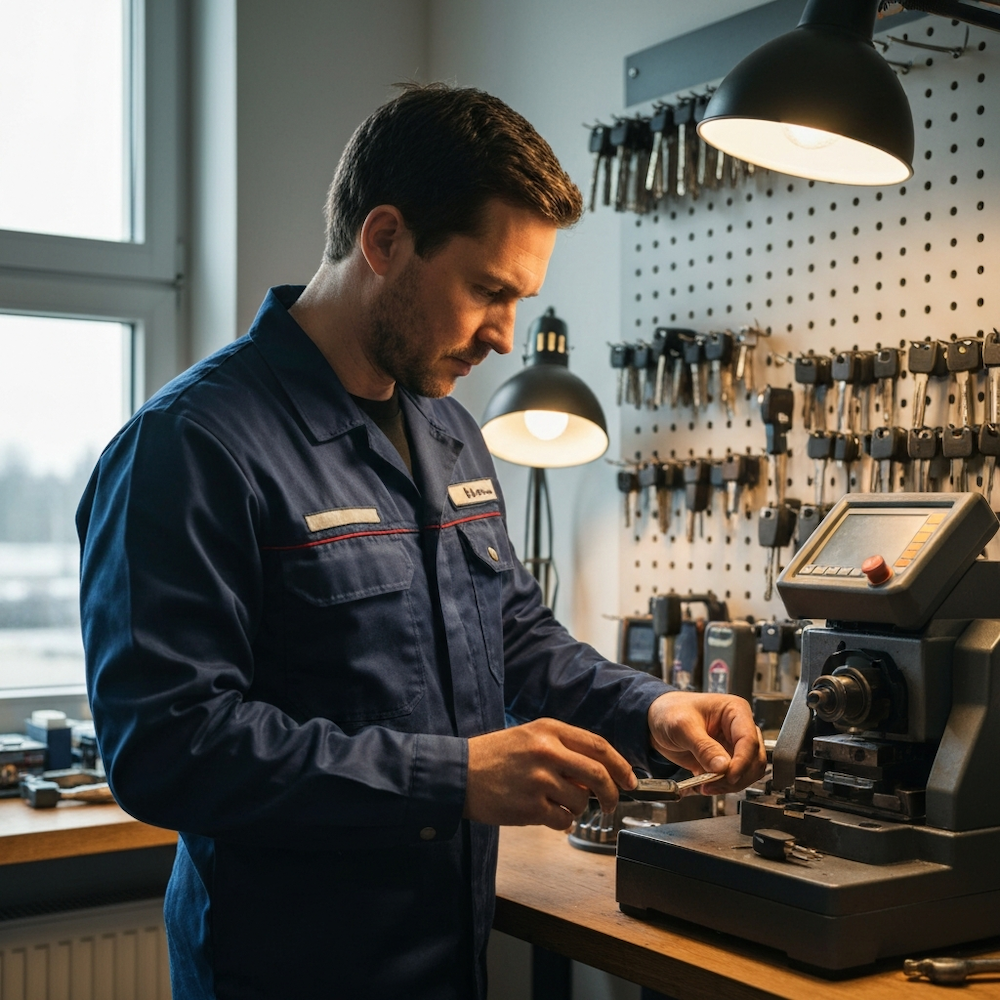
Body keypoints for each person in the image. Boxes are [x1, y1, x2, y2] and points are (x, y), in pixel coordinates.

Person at [77, 83, 765, 1000]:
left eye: (521, 299)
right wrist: (455, 776)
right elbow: (166, 748)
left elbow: (513, 632)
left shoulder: (447, 430)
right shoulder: (192, 448)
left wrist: (647, 710)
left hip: (448, 961)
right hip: (282, 973)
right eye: (487, 290)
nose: (505, 335)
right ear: (385, 239)